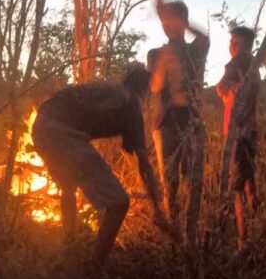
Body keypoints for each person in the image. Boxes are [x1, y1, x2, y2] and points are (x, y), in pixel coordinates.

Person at [31, 66, 172, 265]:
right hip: (62, 133)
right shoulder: (130, 103)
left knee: (68, 188)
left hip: (39, 127)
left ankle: (69, 254)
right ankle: (94, 269)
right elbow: (144, 164)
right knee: (119, 203)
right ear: (145, 92)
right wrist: (158, 210)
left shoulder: (110, 89)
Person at [147, 0, 209, 247]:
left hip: (191, 121)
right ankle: (173, 236)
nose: (166, 26)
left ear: (181, 22)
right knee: (169, 181)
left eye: (170, 21)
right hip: (166, 124)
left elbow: (204, 38)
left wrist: (181, 22)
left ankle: (190, 236)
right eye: (163, 21)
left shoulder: (195, 49)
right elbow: (155, 90)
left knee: (194, 180)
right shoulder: (156, 54)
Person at [216, 26, 260, 252]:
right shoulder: (254, 67)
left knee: (235, 187)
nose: (230, 46)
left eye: (233, 42)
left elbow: (220, 89)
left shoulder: (235, 65)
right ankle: (257, 227)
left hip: (237, 135)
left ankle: (243, 242)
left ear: (239, 45)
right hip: (251, 132)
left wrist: (226, 92)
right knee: (250, 181)